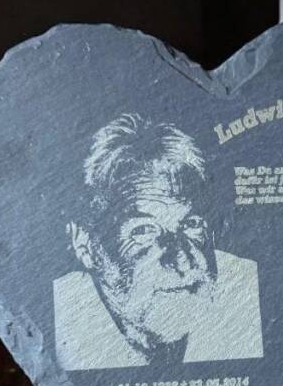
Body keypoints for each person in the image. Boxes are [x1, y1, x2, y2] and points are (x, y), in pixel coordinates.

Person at [54, 113, 263, 370]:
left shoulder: (246, 290)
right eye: (143, 231)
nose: (182, 260)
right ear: (85, 245)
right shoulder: (60, 321)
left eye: (191, 224)